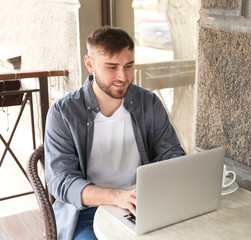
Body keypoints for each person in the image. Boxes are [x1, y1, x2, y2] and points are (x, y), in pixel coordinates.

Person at [44, 26, 185, 240]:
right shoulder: (63, 113)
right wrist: (116, 196)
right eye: (112, 67)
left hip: (141, 203)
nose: (123, 76)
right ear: (90, 64)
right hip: (87, 211)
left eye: (129, 66)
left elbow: (172, 153)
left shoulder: (148, 102)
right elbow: (61, 181)